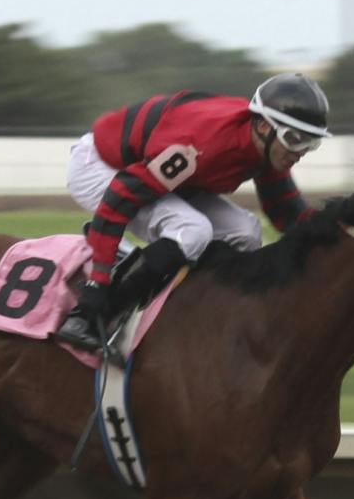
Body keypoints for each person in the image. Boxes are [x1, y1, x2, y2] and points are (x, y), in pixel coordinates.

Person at [52, 72, 332, 356]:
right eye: (295, 139)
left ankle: (192, 314)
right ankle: (89, 318)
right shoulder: (200, 145)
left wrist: (343, 229)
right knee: (193, 230)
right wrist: (96, 285)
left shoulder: (267, 148)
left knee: (246, 232)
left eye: (311, 143)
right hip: (100, 166)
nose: (301, 152)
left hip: (160, 176)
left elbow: (287, 214)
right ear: (262, 125)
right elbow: (118, 202)